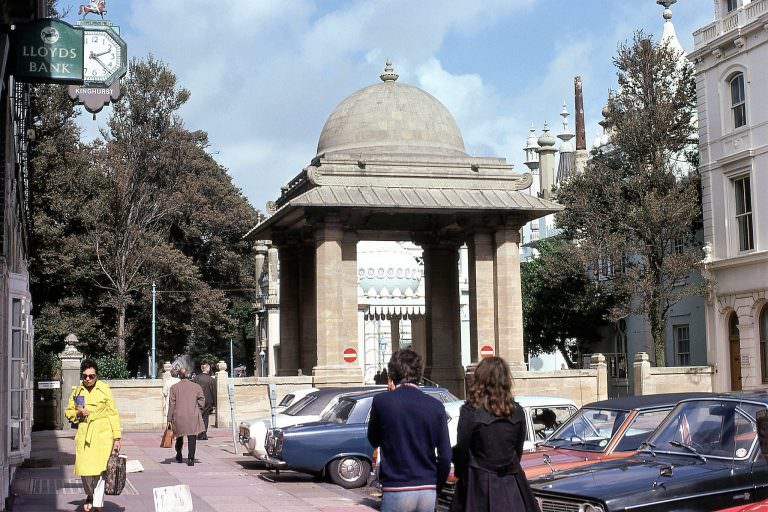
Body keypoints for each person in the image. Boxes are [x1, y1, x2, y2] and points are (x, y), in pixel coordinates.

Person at [451, 357, 540, 512]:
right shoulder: (517, 411)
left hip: (478, 483)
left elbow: (462, 449)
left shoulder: (470, 411)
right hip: (511, 482)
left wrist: (461, 473)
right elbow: (517, 452)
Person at [367, 349, 451, 512]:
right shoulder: (436, 406)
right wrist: (436, 486)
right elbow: (445, 456)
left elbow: (373, 439)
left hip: (396, 487)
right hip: (427, 488)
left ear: (391, 375)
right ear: (419, 374)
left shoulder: (382, 402)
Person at [64, 359, 121, 512]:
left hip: (103, 435)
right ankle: (90, 494)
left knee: (102, 471)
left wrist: (117, 438)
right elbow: (68, 412)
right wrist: (78, 412)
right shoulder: (77, 391)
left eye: (91, 376)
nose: (88, 379)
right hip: (85, 435)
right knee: (85, 470)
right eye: (85, 376)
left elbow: (113, 414)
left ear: (97, 376)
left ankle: (97, 503)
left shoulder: (104, 389)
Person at [167, 367, 205, 466]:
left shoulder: (174, 388)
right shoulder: (196, 387)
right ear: (188, 375)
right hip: (192, 415)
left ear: (179, 375)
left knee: (179, 437)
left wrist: (169, 418)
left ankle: (179, 454)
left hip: (179, 416)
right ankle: (191, 459)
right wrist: (198, 410)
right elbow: (202, 400)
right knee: (192, 438)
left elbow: (172, 404)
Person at [193, 360, 216, 440]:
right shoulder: (211, 380)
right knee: (205, 417)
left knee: (199, 417)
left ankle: (199, 432)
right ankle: (203, 433)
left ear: (201, 368)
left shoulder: (196, 378)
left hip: (198, 400)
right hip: (208, 401)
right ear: (208, 368)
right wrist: (215, 403)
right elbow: (214, 392)